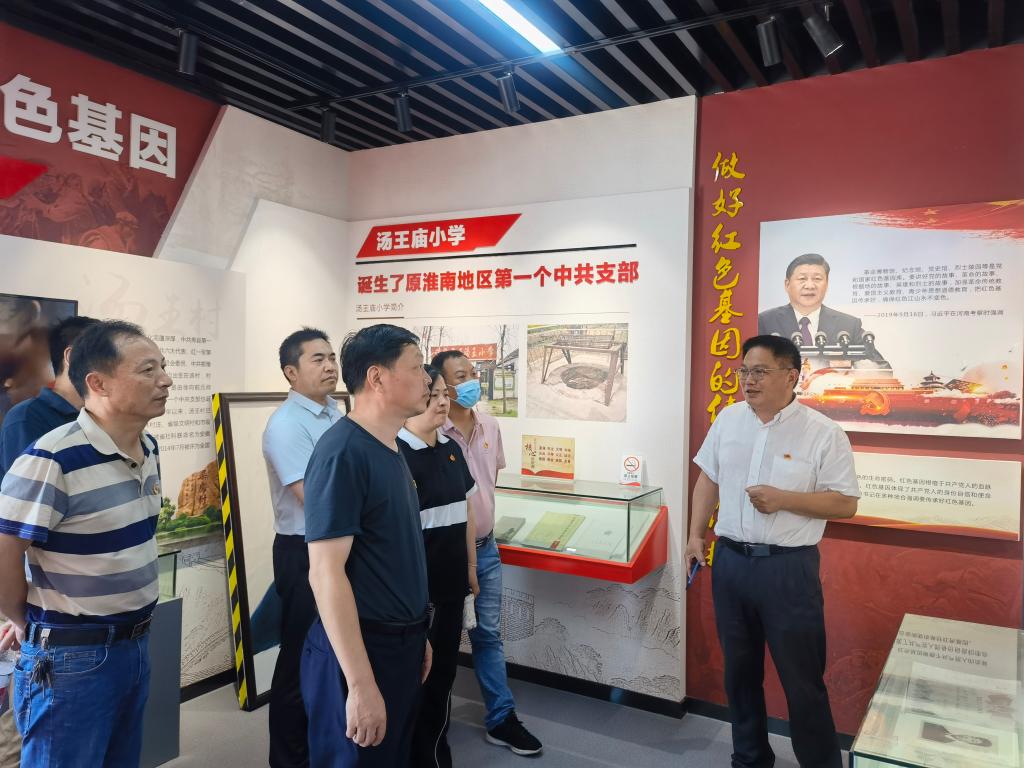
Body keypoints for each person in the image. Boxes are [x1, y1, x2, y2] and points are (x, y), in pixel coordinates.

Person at [0, 320, 172, 768]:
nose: (165, 380)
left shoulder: (148, 447)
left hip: (134, 645)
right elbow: (4, 550)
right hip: (72, 658)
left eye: (163, 367)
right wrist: (25, 619)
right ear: (98, 383)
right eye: (148, 370)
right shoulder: (52, 457)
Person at [685, 334, 859, 768]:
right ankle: (750, 758)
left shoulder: (824, 433)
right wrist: (695, 535)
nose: (749, 380)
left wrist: (784, 499)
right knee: (739, 674)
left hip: (788, 570)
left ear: (791, 376)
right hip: (731, 563)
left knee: (802, 682)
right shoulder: (728, 419)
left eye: (760, 371)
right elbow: (708, 478)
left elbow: (845, 503)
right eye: (744, 371)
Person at [301, 324, 433, 767]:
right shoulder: (343, 453)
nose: (427, 379)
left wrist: (416, 632)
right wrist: (359, 684)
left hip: (399, 643)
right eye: (417, 368)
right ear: (377, 377)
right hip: (361, 650)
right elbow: (325, 573)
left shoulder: (390, 446)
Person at [433, 350, 542, 756]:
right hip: (445, 553)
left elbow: (488, 483)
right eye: (460, 376)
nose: (471, 382)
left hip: (486, 548)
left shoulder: (490, 426)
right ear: (442, 385)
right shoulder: (433, 431)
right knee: (439, 638)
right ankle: (432, 722)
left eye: (472, 374)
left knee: (489, 635)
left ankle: (501, 718)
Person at [263, 328, 343, 768]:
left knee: (331, 656)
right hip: (303, 551)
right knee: (299, 658)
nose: (330, 366)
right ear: (291, 372)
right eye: (318, 359)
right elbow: (314, 498)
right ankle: (288, 760)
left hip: (336, 546)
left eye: (331, 357)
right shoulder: (286, 425)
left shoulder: (334, 412)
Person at [398, 366, 480, 768]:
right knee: (413, 682)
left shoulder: (451, 448)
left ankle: (435, 755)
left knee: (443, 676)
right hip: (416, 595)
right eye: (433, 395)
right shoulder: (396, 454)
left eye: (445, 394)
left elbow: (466, 511)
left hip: (451, 587)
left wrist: (471, 568)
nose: (442, 402)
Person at [0, 315, 98, 478]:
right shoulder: (27, 417)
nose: (111, 364)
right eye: (104, 355)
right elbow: (29, 488)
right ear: (71, 357)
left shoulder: (97, 415)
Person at [757, 253, 866, 346]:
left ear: (827, 284)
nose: (810, 286)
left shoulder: (849, 325)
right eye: (802, 278)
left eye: (817, 279)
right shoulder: (764, 322)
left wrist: (852, 363)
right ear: (787, 284)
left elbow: (873, 361)